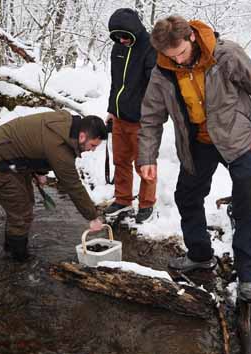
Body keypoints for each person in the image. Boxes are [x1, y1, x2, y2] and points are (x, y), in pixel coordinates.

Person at [138, 15, 251, 303]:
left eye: (181, 53)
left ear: (192, 37)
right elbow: (151, 118)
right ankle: (199, 254)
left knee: (247, 203)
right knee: (187, 196)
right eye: (171, 56)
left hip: (239, 138)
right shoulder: (163, 70)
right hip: (198, 142)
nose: (178, 61)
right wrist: (147, 157)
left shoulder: (226, 54)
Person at [0, 110, 107, 262]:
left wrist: (39, 171)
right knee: (21, 212)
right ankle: (18, 261)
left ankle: (9, 249)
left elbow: (37, 142)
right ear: (82, 136)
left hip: (11, 157)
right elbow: (73, 186)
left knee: (25, 204)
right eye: (92, 145)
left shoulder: (65, 123)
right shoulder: (60, 149)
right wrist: (92, 216)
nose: (92, 150)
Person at [105, 8, 158, 224]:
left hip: (141, 120)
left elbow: (156, 87)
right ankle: (123, 200)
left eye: (125, 36)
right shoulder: (118, 47)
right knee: (120, 161)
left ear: (134, 31)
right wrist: (111, 109)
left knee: (144, 163)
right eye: (117, 37)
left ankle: (147, 203)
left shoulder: (149, 48)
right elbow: (115, 82)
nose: (122, 40)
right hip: (119, 116)